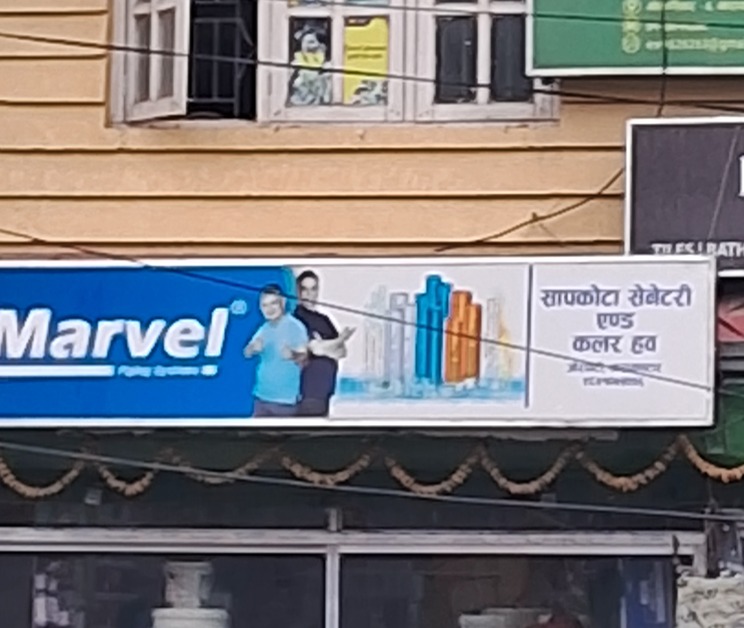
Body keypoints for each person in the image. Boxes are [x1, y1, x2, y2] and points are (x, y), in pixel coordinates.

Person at [293, 270, 354, 417]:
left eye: (313, 289)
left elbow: (342, 352)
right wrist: (339, 340)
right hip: (307, 392)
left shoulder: (324, 320)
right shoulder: (297, 318)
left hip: (325, 393)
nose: (309, 294)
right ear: (298, 292)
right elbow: (314, 348)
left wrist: (327, 346)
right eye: (305, 289)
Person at [244, 285, 309, 417]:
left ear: (283, 302)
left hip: (285, 401)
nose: (269, 309)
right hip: (261, 397)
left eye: (273, 303)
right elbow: (246, 352)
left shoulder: (295, 326)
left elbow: (304, 357)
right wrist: (253, 348)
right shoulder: (264, 328)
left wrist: (292, 355)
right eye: (265, 305)